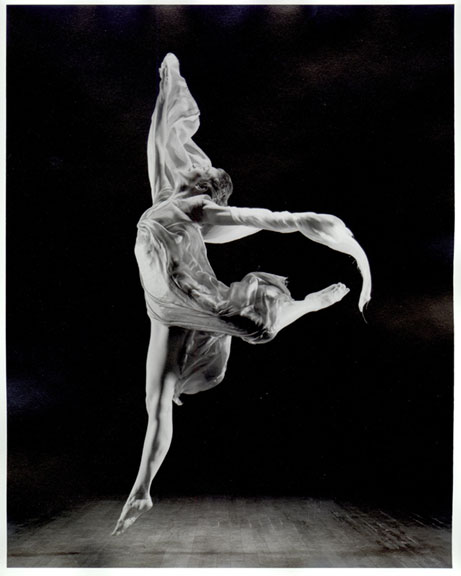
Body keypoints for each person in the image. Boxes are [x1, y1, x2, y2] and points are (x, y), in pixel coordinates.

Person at [112, 53, 371, 535]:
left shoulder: (199, 207)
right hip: (165, 304)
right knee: (158, 400)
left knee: (238, 332)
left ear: (206, 189)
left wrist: (322, 231)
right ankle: (143, 489)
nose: (192, 170)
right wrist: (169, 80)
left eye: (200, 176)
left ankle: (303, 305)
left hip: (181, 297)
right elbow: (161, 140)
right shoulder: (166, 195)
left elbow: (266, 219)